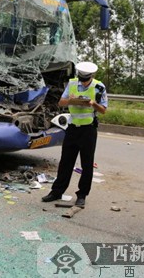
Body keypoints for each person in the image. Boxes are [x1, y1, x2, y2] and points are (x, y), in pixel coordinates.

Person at [42, 61, 107, 208]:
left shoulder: (99, 87)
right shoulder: (72, 84)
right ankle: (56, 192)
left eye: (85, 80)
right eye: (81, 79)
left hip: (88, 130)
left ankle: (82, 195)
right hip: (72, 129)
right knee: (65, 162)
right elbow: (61, 103)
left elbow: (103, 110)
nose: (83, 83)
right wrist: (71, 100)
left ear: (91, 76)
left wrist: (92, 104)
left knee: (87, 164)